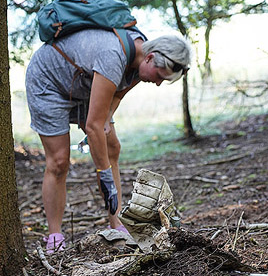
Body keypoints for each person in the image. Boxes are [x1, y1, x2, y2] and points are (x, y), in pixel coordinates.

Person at [25, 27, 191, 253]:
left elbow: (118, 94)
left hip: (85, 82)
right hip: (50, 82)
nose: (159, 83)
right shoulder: (114, 56)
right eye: (160, 76)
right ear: (150, 58)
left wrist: (107, 119)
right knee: (59, 160)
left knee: (112, 147)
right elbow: (93, 126)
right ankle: (55, 235)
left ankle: (117, 225)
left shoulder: (141, 62)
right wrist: (104, 176)